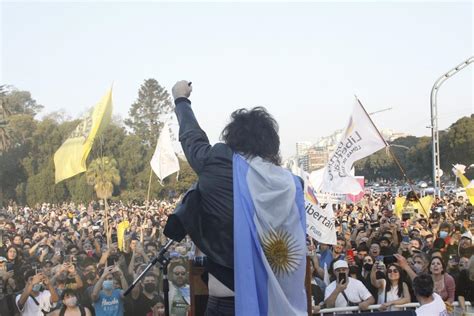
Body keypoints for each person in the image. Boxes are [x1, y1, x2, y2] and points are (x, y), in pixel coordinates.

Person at [166, 80, 307, 315]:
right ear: (272, 144)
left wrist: (181, 100)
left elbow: (192, 138)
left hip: (225, 303)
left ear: (233, 139)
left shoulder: (220, 163)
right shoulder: (292, 185)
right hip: (275, 303)